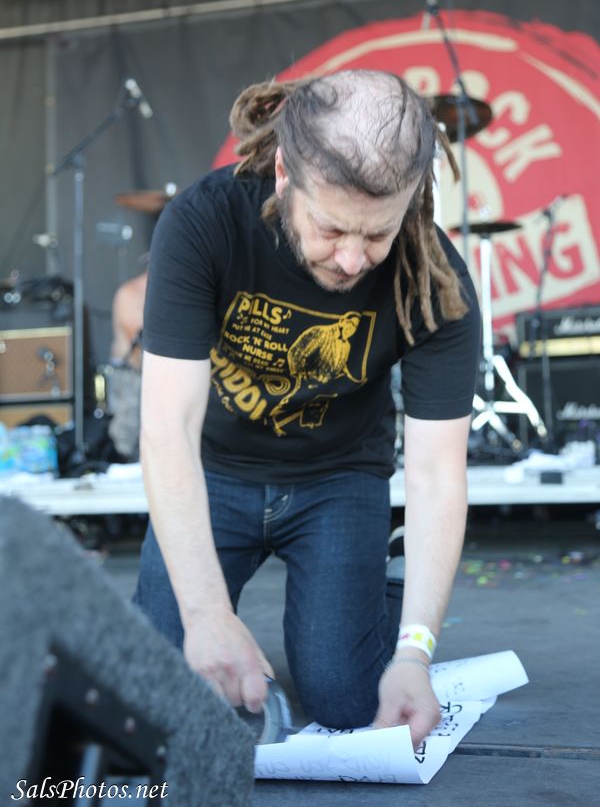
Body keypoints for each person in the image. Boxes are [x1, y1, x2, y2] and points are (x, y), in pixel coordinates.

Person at [134, 70, 481, 746]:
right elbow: (167, 427)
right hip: (214, 471)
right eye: (331, 228)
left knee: (349, 699)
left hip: (337, 479)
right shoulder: (204, 221)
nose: (351, 260)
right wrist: (204, 613)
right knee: (158, 684)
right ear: (285, 173)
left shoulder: (435, 283)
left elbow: (438, 474)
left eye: (376, 236)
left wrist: (415, 651)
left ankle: (381, 592)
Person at [107, 271, 147, 459]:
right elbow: (140, 344)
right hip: (130, 378)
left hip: (156, 380)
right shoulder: (131, 293)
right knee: (126, 445)